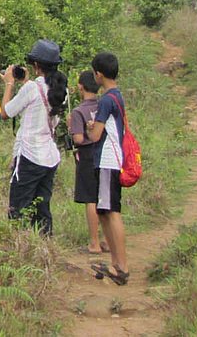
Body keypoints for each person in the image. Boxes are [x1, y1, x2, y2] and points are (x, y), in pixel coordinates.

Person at [0, 39, 67, 236]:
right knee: (42, 206)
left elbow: (5, 112)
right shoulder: (61, 90)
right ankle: (44, 245)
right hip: (49, 156)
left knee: (18, 207)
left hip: (29, 154)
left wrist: (9, 84)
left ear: (36, 65)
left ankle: (18, 248)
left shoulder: (31, 88)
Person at [87, 51, 129, 285]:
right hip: (113, 159)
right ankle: (116, 263)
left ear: (99, 74)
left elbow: (95, 135)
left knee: (111, 213)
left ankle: (121, 266)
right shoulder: (117, 96)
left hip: (107, 161)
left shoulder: (105, 100)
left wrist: (89, 127)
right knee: (105, 212)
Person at [68, 69, 107, 254]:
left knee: (90, 198)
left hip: (87, 155)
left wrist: (72, 128)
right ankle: (107, 240)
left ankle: (94, 242)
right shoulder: (103, 105)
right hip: (105, 153)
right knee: (104, 196)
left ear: (80, 87)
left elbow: (77, 139)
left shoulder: (78, 111)